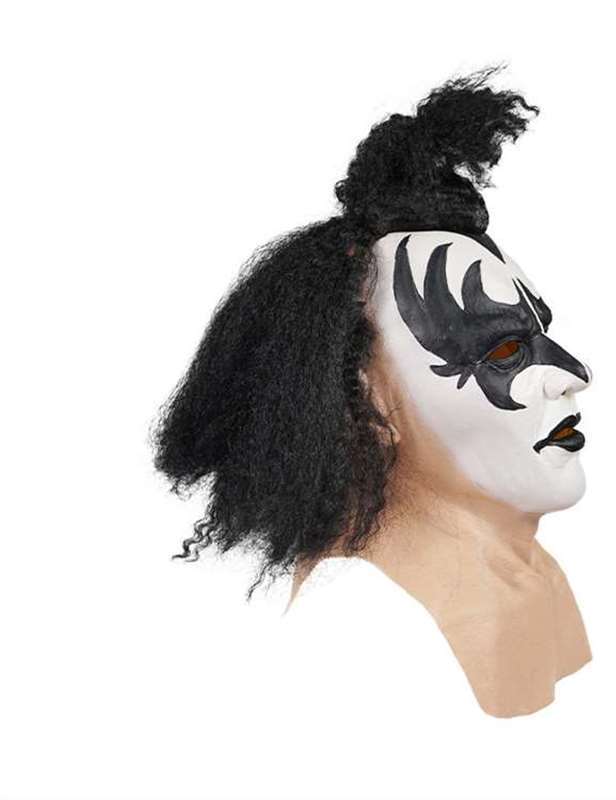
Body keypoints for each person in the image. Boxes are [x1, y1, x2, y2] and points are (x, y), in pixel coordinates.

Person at [153, 68, 593, 717]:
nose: (574, 372)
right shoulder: (375, 629)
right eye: (503, 350)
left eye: (539, 333)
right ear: (370, 401)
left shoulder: (531, 581)